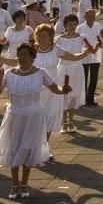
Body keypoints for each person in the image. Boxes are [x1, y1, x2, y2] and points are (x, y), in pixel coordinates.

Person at [0, 43, 71, 199]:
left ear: (32, 57)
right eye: (20, 54)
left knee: (29, 148)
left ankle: (24, 183)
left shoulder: (41, 73)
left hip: (34, 116)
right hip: (14, 116)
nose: (22, 57)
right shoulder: (9, 73)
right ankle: (14, 183)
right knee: (14, 148)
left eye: (26, 54)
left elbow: (54, 88)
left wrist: (63, 90)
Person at [56, 14, 89, 133]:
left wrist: (88, 51)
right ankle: (64, 123)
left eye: (74, 24)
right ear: (64, 25)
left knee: (74, 95)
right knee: (64, 95)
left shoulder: (81, 37)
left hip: (77, 68)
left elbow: (88, 49)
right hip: (64, 68)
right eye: (69, 24)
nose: (72, 26)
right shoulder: (59, 39)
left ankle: (71, 122)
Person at [77, 9, 103, 106]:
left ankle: (91, 99)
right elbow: (77, 42)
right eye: (89, 16)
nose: (92, 18)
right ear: (85, 17)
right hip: (84, 56)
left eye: (93, 16)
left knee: (94, 78)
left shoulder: (99, 26)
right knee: (83, 78)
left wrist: (100, 43)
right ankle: (83, 98)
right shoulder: (80, 28)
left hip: (96, 55)